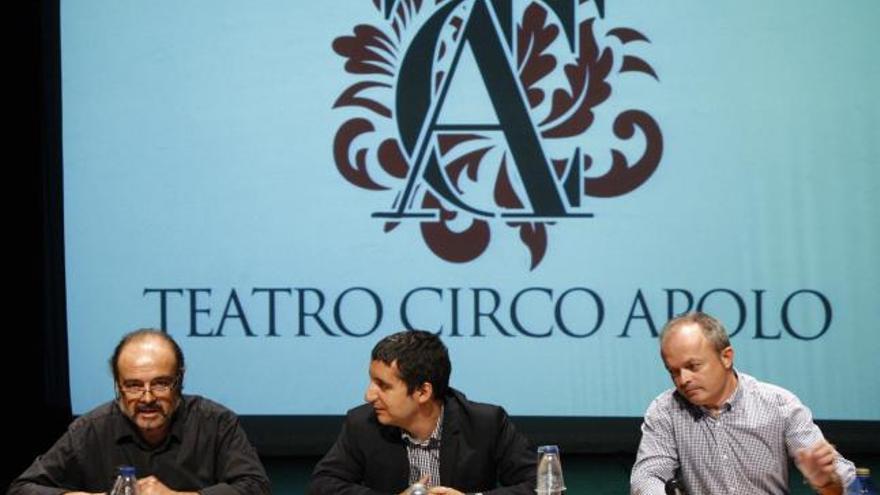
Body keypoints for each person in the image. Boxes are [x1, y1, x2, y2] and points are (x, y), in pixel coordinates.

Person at [8, 329, 271, 495]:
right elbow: (21, 489)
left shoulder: (215, 422)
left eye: (160, 384)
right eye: (133, 386)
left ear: (180, 380)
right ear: (117, 385)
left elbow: (256, 487)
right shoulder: (92, 428)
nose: (147, 398)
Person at [630, 312, 856, 495]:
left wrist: (826, 482)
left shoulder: (779, 405)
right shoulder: (666, 410)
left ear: (726, 357)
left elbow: (847, 483)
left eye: (693, 366)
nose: (683, 379)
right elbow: (647, 476)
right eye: (674, 371)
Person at [309, 330, 536, 495]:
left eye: (383, 385)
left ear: (422, 391)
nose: (369, 396)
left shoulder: (485, 423)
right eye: (371, 382)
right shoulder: (362, 423)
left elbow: (542, 485)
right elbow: (323, 485)